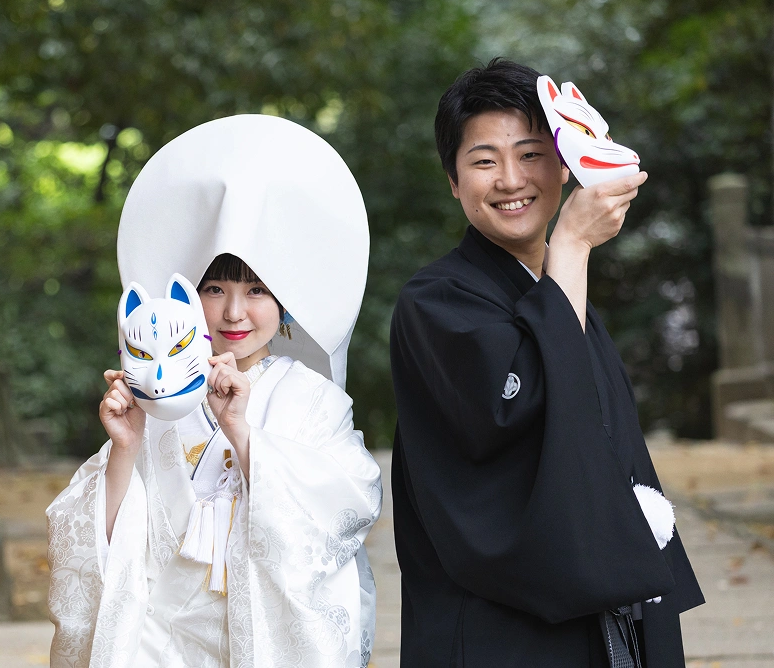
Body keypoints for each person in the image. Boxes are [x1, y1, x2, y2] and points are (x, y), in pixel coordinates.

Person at [389, 58, 704, 667]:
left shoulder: (557, 289)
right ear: (453, 181)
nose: (511, 179)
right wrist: (573, 244)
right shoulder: (435, 301)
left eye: (531, 154)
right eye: (484, 161)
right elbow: (516, 407)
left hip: (593, 615)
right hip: (496, 629)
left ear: (565, 165)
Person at [47, 115, 381, 668]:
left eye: (257, 291)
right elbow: (94, 541)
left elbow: (349, 506)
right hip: (160, 643)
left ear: (285, 301)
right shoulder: (157, 396)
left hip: (260, 640)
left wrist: (243, 435)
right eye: (214, 289)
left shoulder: (315, 402)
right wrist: (126, 447)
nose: (233, 312)